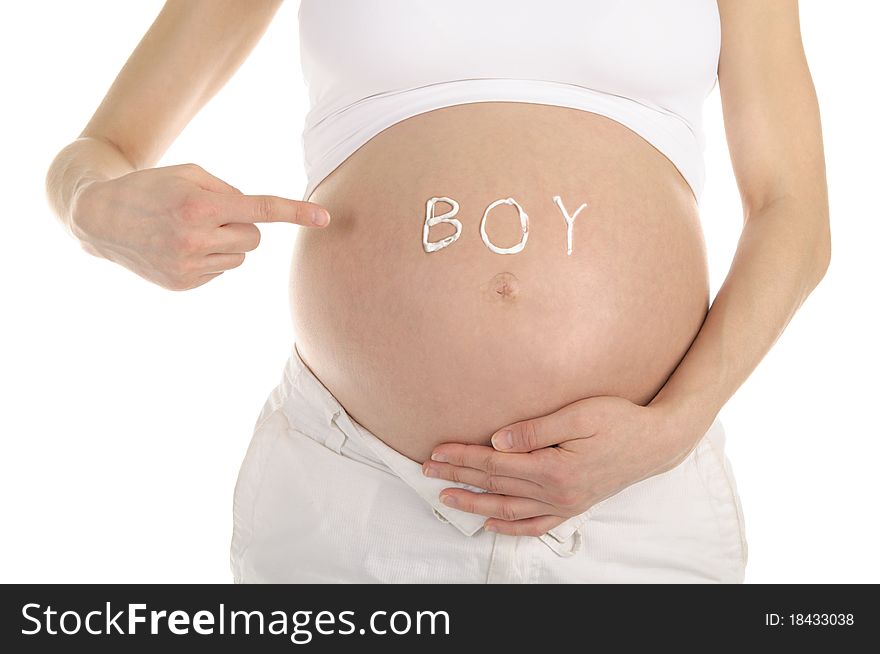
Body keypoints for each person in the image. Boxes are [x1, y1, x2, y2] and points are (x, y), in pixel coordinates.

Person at [46, 0, 830, 583]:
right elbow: (99, 151)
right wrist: (93, 206)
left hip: (629, 502)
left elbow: (795, 213)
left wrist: (672, 429)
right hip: (352, 494)